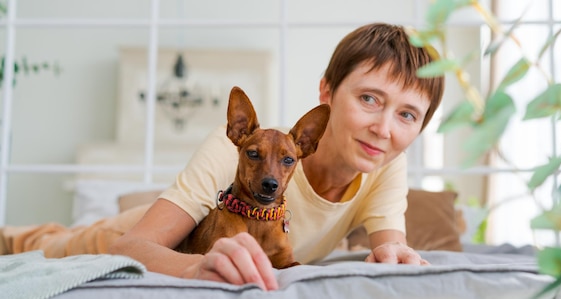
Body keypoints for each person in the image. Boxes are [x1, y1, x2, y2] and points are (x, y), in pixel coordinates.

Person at [1, 22, 444, 291]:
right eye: (369, 98)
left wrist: (397, 260)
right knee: (38, 245)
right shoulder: (233, 148)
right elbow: (128, 247)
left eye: (408, 114)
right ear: (326, 92)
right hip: (130, 235)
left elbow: (392, 249)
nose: (384, 128)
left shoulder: (384, 164)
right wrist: (200, 265)